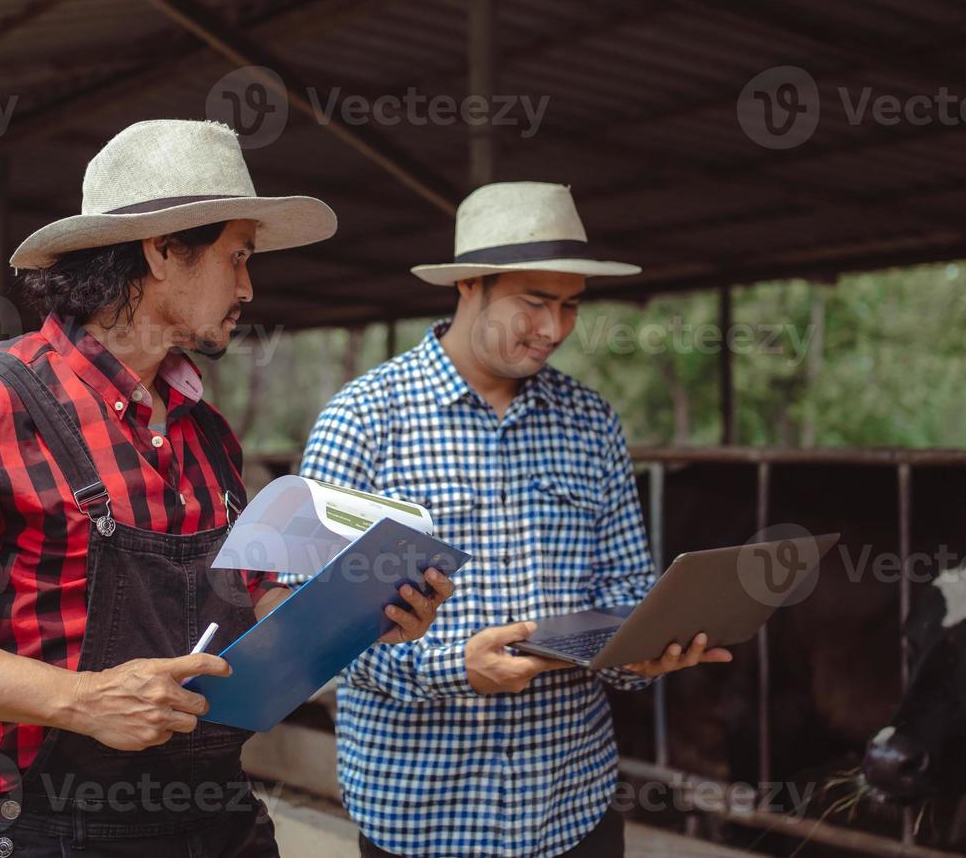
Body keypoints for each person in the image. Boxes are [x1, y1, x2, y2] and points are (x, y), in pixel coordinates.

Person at [0, 120, 453, 858]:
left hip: (223, 821)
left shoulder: (206, 431)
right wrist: (80, 700)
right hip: (67, 832)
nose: (248, 287)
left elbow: (247, 606)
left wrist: (364, 609)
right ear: (163, 249)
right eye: (236, 256)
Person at [291, 182, 732, 858]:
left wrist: (642, 649)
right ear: (470, 284)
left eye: (570, 306)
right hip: (422, 816)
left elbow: (623, 587)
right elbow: (316, 636)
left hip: (571, 807)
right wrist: (452, 669)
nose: (554, 329)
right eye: (534, 302)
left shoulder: (590, 422)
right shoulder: (363, 421)